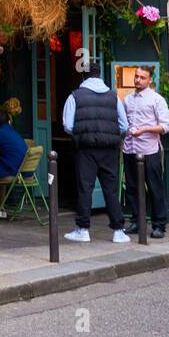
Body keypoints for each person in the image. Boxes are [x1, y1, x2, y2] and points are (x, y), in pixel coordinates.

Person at [62, 59, 129, 244]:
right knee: (110, 189)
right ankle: (118, 230)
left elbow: (68, 125)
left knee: (85, 188)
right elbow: (125, 125)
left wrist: (83, 132)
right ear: (99, 75)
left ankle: (83, 229)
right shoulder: (113, 96)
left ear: (83, 75)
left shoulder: (75, 96)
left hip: (86, 148)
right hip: (109, 149)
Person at [122, 66, 169, 238]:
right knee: (132, 187)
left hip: (149, 150)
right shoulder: (127, 100)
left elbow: (166, 126)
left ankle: (159, 225)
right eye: (136, 76)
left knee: (154, 187)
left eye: (142, 77)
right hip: (130, 148)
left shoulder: (157, 100)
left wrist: (144, 130)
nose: (138, 80)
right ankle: (137, 221)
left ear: (150, 80)